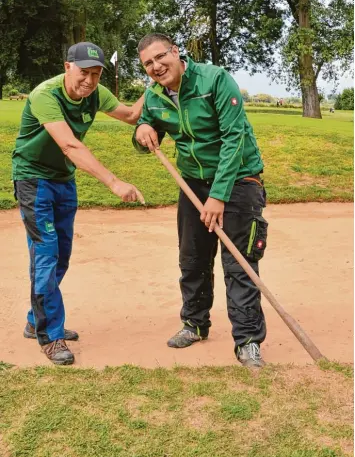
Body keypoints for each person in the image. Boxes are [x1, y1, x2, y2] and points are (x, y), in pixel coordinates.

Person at [133, 33, 268, 368]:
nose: (155, 67)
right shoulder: (153, 96)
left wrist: (219, 196)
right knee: (192, 259)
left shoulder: (215, 80)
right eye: (147, 63)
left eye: (160, 57)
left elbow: (234, 137)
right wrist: (141, 132)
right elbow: (147, 128)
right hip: (192, 184)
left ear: (176, 52)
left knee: (239, 264)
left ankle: (248, 341)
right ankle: (194, 324)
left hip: (238, 180)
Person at [12, 41, 145, 366]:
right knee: (46, 256)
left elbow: (129, 114)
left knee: (62, 257)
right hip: (33, 180)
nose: (89, 81)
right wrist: (114, 182)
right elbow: (70, 145)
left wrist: (153, 85)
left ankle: (36, 320)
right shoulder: (45, 94)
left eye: (96, 74)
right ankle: (50, 336)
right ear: (67, 66)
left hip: (62, 180)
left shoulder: (96, 94)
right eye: (84, 72)